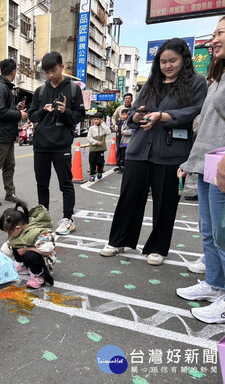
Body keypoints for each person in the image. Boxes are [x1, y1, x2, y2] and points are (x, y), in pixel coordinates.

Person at [100, 38, 207, 266]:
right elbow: (130, 116)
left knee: (166, 202)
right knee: (129, 197)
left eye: (173, 61)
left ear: (184, 60)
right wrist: (137, 117)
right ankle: (119, 240)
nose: (167, 66)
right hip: (139, 149)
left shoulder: (196, 83)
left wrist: (164, 116)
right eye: (163, 61)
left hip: (171, 152)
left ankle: (157, 247)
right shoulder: (150, 85)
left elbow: (196, 111)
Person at [176, 17, 225, 323]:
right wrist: (191, 161)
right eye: (215, 32)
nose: (214, 38)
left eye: (221, 32)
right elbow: (208, 125)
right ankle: (216, 284)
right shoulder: (218, 75)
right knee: (209, 231)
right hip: (208, 161)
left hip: (222, 163)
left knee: (223, 235)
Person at [28, 51, 85, 235]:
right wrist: (43, 112)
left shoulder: (74, 89)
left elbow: (79, 116)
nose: (51, 75)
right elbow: (32, 115)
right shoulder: (40, 91)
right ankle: (43, 219)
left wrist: (65, 111)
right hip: (41, 146)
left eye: (53, 70)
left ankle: (68, 219)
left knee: (65, 184)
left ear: (62, 67)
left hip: (61, 145)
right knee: (41, 184)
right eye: (47, 72)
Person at [0, 59, 28, 207]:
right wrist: (18, 114)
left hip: (7, 133)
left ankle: (10, 193)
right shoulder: (1, 88)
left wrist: (16, 108)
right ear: (13, 72)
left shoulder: (3, 87)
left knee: (10, 165)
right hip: (1, 134)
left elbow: (2, 109)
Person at [0, 201, 55, 289]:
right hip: (27, 253)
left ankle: (38, 275)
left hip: (43, 259)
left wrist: (26, 250)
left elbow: (47, 252)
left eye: (8, 232)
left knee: (30, 255)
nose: (8, 235)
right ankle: (23, 265)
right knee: (15, 242)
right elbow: (10, 244)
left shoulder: (37, 232)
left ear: (18, 228)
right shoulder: (19, 231)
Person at [112, 93, 133, 171]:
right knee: (119, 148)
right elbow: (114, 118)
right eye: (126, 98)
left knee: (127, 149)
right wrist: (115, 125)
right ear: (124, 99)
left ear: (131, 99)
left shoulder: (134, 108)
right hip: (120, 128)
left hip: (129, 129)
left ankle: (126, 165)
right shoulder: (119, 108)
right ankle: (119, 164)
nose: (127, 100)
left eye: (129, 98)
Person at [87, 112, 111, 182]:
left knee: (100, 162)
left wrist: (103, 124)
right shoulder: (91, 128)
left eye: (98, 119)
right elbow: (89, 138)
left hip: (101, 149)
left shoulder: (103, 128)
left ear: (101, 120)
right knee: (92, 162)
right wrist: (96, 142)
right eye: (94, 119)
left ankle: (100, 171)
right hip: (93, 149)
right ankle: (92, 175)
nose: (96, 121)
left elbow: (108, 132)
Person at [115, 108, 133, 173]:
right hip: (122, 142)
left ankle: (126, 169)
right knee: (122, 155)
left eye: (125, 114)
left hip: (128, 142)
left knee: (126, 156)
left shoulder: (131, 122)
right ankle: (122, 167)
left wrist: (124, 132)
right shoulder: (122, 122)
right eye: (122, 114)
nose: (123, 116)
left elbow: (133, 131)